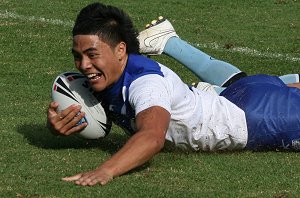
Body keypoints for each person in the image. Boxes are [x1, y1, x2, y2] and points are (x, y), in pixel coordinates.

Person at [47, 2, 300, 186]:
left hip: (259, 119)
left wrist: (106, 170)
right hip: (236, 96)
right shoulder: (110, 75)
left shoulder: (146, 84)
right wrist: (62, 124)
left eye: (92, 55)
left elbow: (152, 137)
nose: (83, 65)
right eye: (77, 56)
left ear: (120, 50)